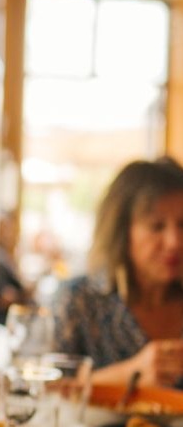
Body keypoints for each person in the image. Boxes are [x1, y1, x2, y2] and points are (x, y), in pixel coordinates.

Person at [52, 156, 183, 388]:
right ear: (122, 232)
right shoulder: (80, 301)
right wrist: (130, 374)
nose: (174, 242)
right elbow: (44, 394)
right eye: (156, 226)